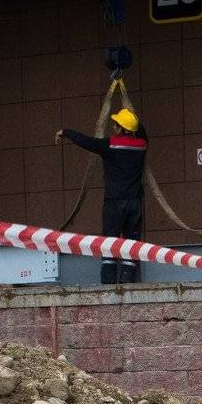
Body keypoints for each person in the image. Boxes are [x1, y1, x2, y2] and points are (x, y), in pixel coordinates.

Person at [56, 108, 148, 284]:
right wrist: (132, 115)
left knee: (109, 244)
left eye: (116, 125)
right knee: (131, 244)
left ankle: (108, 283)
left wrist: (65, 132)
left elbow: (88, 142)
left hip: (114, 203)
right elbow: (142, 132)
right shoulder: (142, 146)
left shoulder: (111, 145)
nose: (113, 127)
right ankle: (127, 282)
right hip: (135, 203)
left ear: (121, 128)